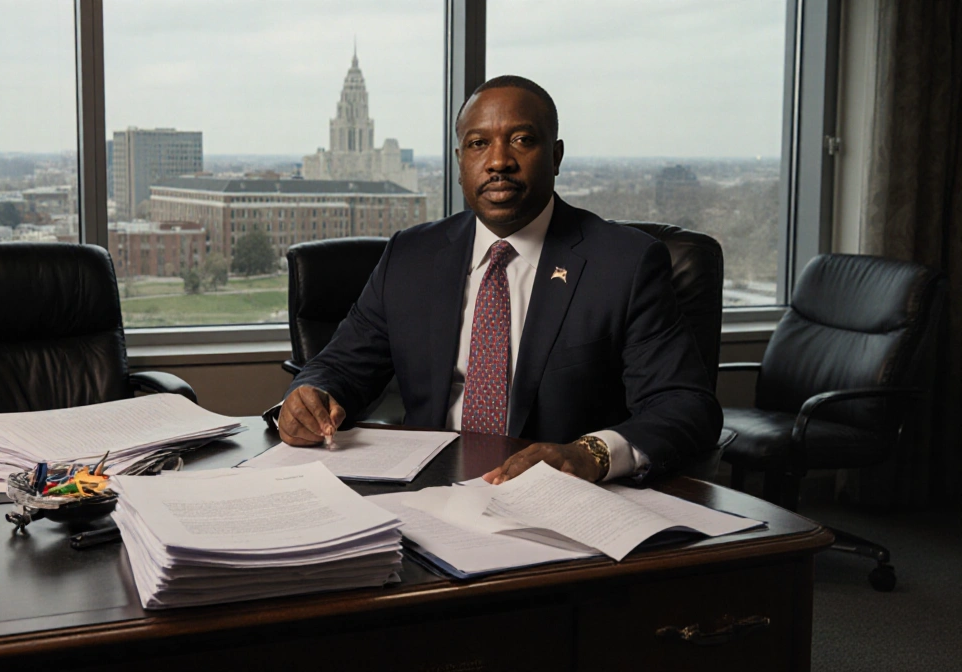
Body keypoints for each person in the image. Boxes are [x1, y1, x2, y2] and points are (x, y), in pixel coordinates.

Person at [276, 75, 721, 484]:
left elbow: (685, 406)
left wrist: (590, 454)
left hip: (560, 498)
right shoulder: (410, 257)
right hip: (424, 489)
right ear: (459, 161)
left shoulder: (624, 263)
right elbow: (338, 367)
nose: (498, 161)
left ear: (556, 155)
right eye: (477, 144)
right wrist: (311, 394)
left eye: (522, 140)